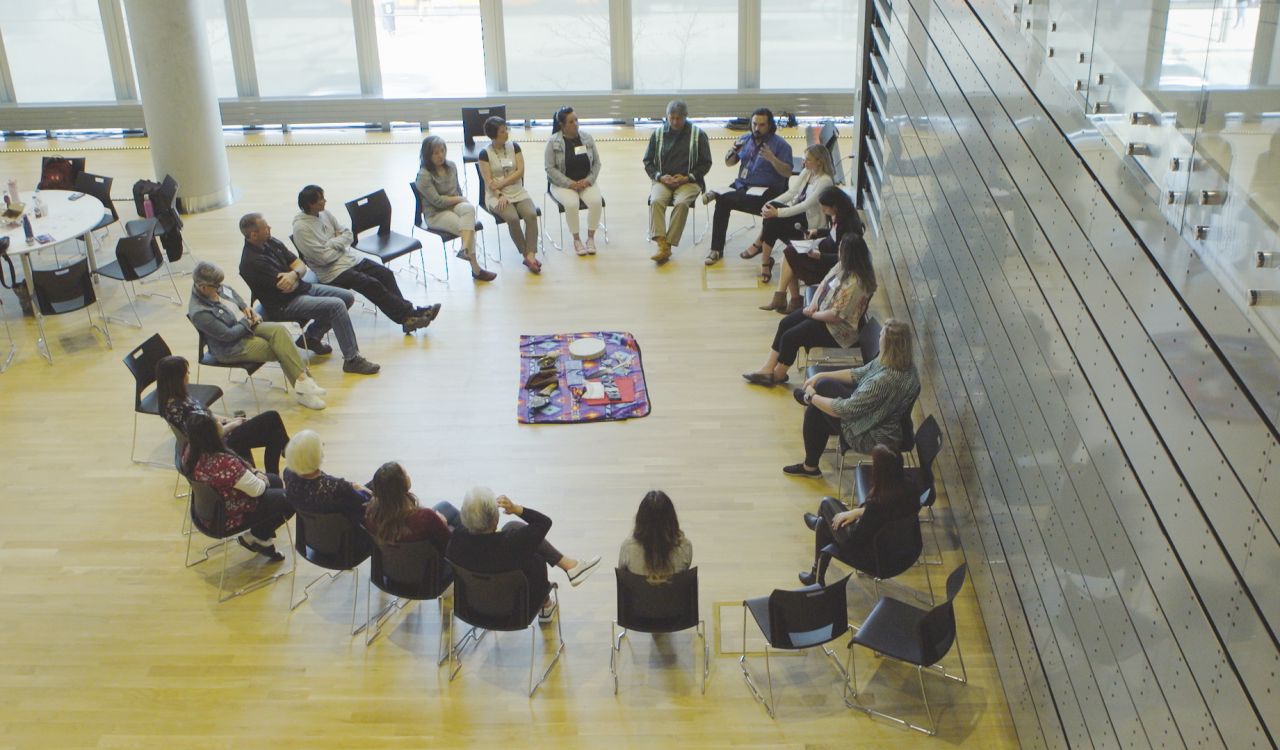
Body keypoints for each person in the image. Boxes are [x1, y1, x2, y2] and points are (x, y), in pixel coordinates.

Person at [238, 213, 381, 375]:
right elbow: (287, 287)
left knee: (347, 297)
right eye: (265, 228)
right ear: (253, 235)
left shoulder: (270, 241)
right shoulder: (251, 263)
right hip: (284, 304)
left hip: (301, 288)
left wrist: (293, 274)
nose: (270, 228)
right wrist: (296, 274)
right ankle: (352, 359)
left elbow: (300, 265)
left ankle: (312, 337)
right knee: (336, 306)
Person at [291, 185, 440, 335]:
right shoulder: (301, 229)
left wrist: (331, 244)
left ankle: (408, 317)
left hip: (349, 259)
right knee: (371, 284)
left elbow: (348, 235)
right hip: (332, 272)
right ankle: (410, 315)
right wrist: (339, 244)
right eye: (321, 199)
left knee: (385, 274)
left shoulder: (325, 214)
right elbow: (323, 258)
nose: (325, 201)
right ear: (310, 204)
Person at [786, 318, 920, 477]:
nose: (878, 338)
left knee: (818, 402)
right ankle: (810, 467)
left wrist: (811, 397)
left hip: (873, 435)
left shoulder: (883, 381)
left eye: (881, 336)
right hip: (880, 417)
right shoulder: (906, 367)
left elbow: (843, 410)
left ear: (888, 345)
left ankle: (810, 467)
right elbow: (859, 373)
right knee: (820, 396)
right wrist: (821, 374)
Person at [187, 261, 328, 410]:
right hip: (232, 347)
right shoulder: (200, 312)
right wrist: (247, 321)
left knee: (279, 331)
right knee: (280, 348)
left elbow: (232, 294)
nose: (220, 288)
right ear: (202, 287)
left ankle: (303, 383)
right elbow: (228, 335)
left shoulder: (214, 286)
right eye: (216, 286)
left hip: (245, 326)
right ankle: (304, 390)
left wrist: (246, 308)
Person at [446, 487, 601, 622]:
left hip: (472, 609)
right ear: (495, 519)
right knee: (534, 556)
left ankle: (570, 567)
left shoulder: (456, 540)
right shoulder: (511, 544)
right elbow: (544, 522)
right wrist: (516, 508)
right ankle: (548, 602)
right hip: (515, 612)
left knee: (512, 527)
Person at [743, 233, 876, 387]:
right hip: (821, 311)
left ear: (849, 255)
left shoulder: (856, 284)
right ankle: (767, 369)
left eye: (840, 249)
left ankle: (778, 374)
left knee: (791, 337)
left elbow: (836, 316)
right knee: (785, 324)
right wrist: (812, 304)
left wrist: (814, 314)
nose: (838, 252)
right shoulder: (844, 265)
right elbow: (824, 282)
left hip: (837, 330)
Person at [798, 445, 920, 586]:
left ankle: (816, 573)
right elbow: (890, 512)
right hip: (905, 550)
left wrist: (849, 518)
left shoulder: (877, 506)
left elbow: (856, 541)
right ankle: (816, 575)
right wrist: (858, 511)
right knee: (824, 522)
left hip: (877, 559)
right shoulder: (911, 487)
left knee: (826, 507)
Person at [183, 412, 293, 562]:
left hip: (207, 510)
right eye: (217, 424)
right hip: (227, 517)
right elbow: (258, 490)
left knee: (275, 481)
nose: (220, 424)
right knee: (290, 499)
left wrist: (254, 472)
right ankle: (256, 536)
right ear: (212, 434)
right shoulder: (223, 463)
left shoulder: (190, 452)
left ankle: (262, 533)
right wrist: (259, 475)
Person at [157, 354, 291, 474]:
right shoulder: (175, 409)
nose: (188, 375)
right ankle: (289, 449)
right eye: (186, 373)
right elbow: (208, 436)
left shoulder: (180, 396)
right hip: (219, 443)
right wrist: (233, 424)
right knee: (272, 417)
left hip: (222, 431)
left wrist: (229, 419)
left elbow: (207, 414)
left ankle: (273, 475)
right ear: (176, 378)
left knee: (276, 434)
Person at [702, 108, 794, 266]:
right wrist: (732, 152)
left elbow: (787, 172)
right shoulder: (745, 140)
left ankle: (717, 193)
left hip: (766, 193)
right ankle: (716, 249)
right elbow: (729, 163)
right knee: (723, 202)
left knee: (724, 199)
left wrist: (772, 159)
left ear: (770, 125)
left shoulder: (781, 146)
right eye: (754, 124)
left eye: (762, 125)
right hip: (742, 186)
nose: (757, 128)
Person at [761, 186, 862, 314]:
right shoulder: (839, 215)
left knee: (790, 254)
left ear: (835, 206)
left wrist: (820, 256)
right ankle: (790, 299)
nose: (823, 210)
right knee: (789, 253)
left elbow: (844, 258)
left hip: (829, 264)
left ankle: (787, 299)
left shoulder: (850, 227)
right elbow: (833, 234)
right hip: (823, 250)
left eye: (825, 207)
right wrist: (817, 232)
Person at [749, 144, 836, 283]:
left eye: (808, 160)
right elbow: (791, 193)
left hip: (810, 223)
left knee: (774, 217)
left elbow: (805, 205)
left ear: (819, 161)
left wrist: (778, 212)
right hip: (800, 216)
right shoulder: (807, 172)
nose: (803, 162)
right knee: (772, 214)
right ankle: (764, 260)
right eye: (804, 159)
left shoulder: (825, 181)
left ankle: (763, 256)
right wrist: (769, 204)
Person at [416, 135, 496, 282]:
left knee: (469, 209)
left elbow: (457, 190)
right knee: (466, 227)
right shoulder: (423, 175)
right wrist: (460, 199)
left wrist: (460, 200)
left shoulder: (451, 166)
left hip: (454, 205)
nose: (441, 155)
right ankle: (476, 270)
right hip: (436, 214)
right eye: (436, 153)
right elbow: (437, 201)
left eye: (442, 150)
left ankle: (464, 249)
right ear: (428, 155)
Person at [643, 99, 712, 265]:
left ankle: (667, 246)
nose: (674, 121)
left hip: (689, 181)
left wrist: (687, 177)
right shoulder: (658, 134)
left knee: (681, 203)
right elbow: (647, 162)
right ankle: (661, 243)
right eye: (671, 117)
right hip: (663, 180)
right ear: (666, 116)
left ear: (686, 116)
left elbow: (706, 163)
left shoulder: (698, 135)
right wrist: (660, 177)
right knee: (656, 200)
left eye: (678, 118)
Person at [477, 116, 541, 274]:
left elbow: (520, 171)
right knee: (512, 218)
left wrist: (503, 183)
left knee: (531, 214)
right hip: (496, 195)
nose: (506, 133)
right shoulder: (484, 154)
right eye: (502, 131)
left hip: (517, 190)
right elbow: (488, 181)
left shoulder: (515, 147)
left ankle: (530, 255)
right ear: (494, 135)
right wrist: (499, 194)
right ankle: (526, 254)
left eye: (506, 130)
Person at [364, 461, 461, 556]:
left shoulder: (371, 515)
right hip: (428, 568)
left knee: (445, 506)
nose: (408, 476)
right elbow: (449, 544)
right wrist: (443, 524)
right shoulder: (425, 518)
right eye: (405, 474)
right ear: (401, 486)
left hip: (392, 566)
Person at [544, 106, 604, 256]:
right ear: (562, 125)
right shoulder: (553, 142)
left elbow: (597, 163)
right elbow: (550, 169)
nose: (576, 124)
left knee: (596, 202)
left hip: (585, 182)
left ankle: (590, 238)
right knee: (572, 204)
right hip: (562, 185)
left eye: (576, 120)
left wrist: (588, 180)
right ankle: (576, 239)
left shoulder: (587, 138)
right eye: (571, 122)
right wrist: (569, 183)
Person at [282, 430, 371, 527]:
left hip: (312, 531)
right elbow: (365, 502)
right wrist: (361, 488)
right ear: (314, 456)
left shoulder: (288, 474)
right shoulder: (337, 487)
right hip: (344, 534)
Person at [617, 490, 692, 583]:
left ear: (640, 520)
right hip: (674, 597)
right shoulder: (685, 547)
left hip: (639, 597)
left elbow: (623, 578)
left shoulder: (627, 548)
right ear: (672, 520)